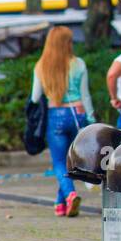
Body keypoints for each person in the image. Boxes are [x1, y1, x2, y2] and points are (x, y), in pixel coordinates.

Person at [31, 26, 96, 217]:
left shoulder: (41, 66)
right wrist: (91, 119)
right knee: (71, 161)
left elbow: (35, 98)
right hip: (77, 114)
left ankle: (69, 195)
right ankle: (60, 203)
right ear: (66, 43)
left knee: (59, 162)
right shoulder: (79, 64)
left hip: (55, 116)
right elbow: (86, 96)